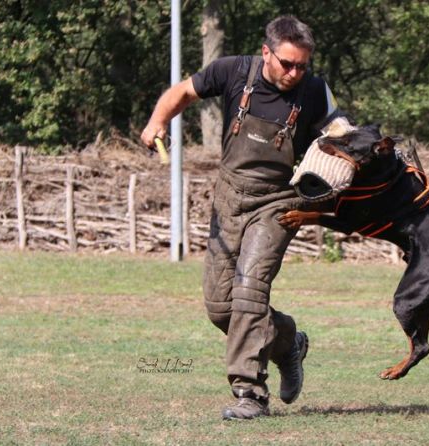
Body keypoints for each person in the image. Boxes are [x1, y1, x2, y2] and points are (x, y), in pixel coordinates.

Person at [141, 15, 344, 420]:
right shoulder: (233, 71)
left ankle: (250, 394)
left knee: (250, 291)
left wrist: (342, 149)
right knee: (221, 307)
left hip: (279, 202)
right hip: (230, 198)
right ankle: (287, 341)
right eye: (287, 64)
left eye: (302, 65)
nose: (295, 73)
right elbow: (184, 91)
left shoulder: (315, 90)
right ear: (266, 52)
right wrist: (158, 120)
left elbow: (340, 132)